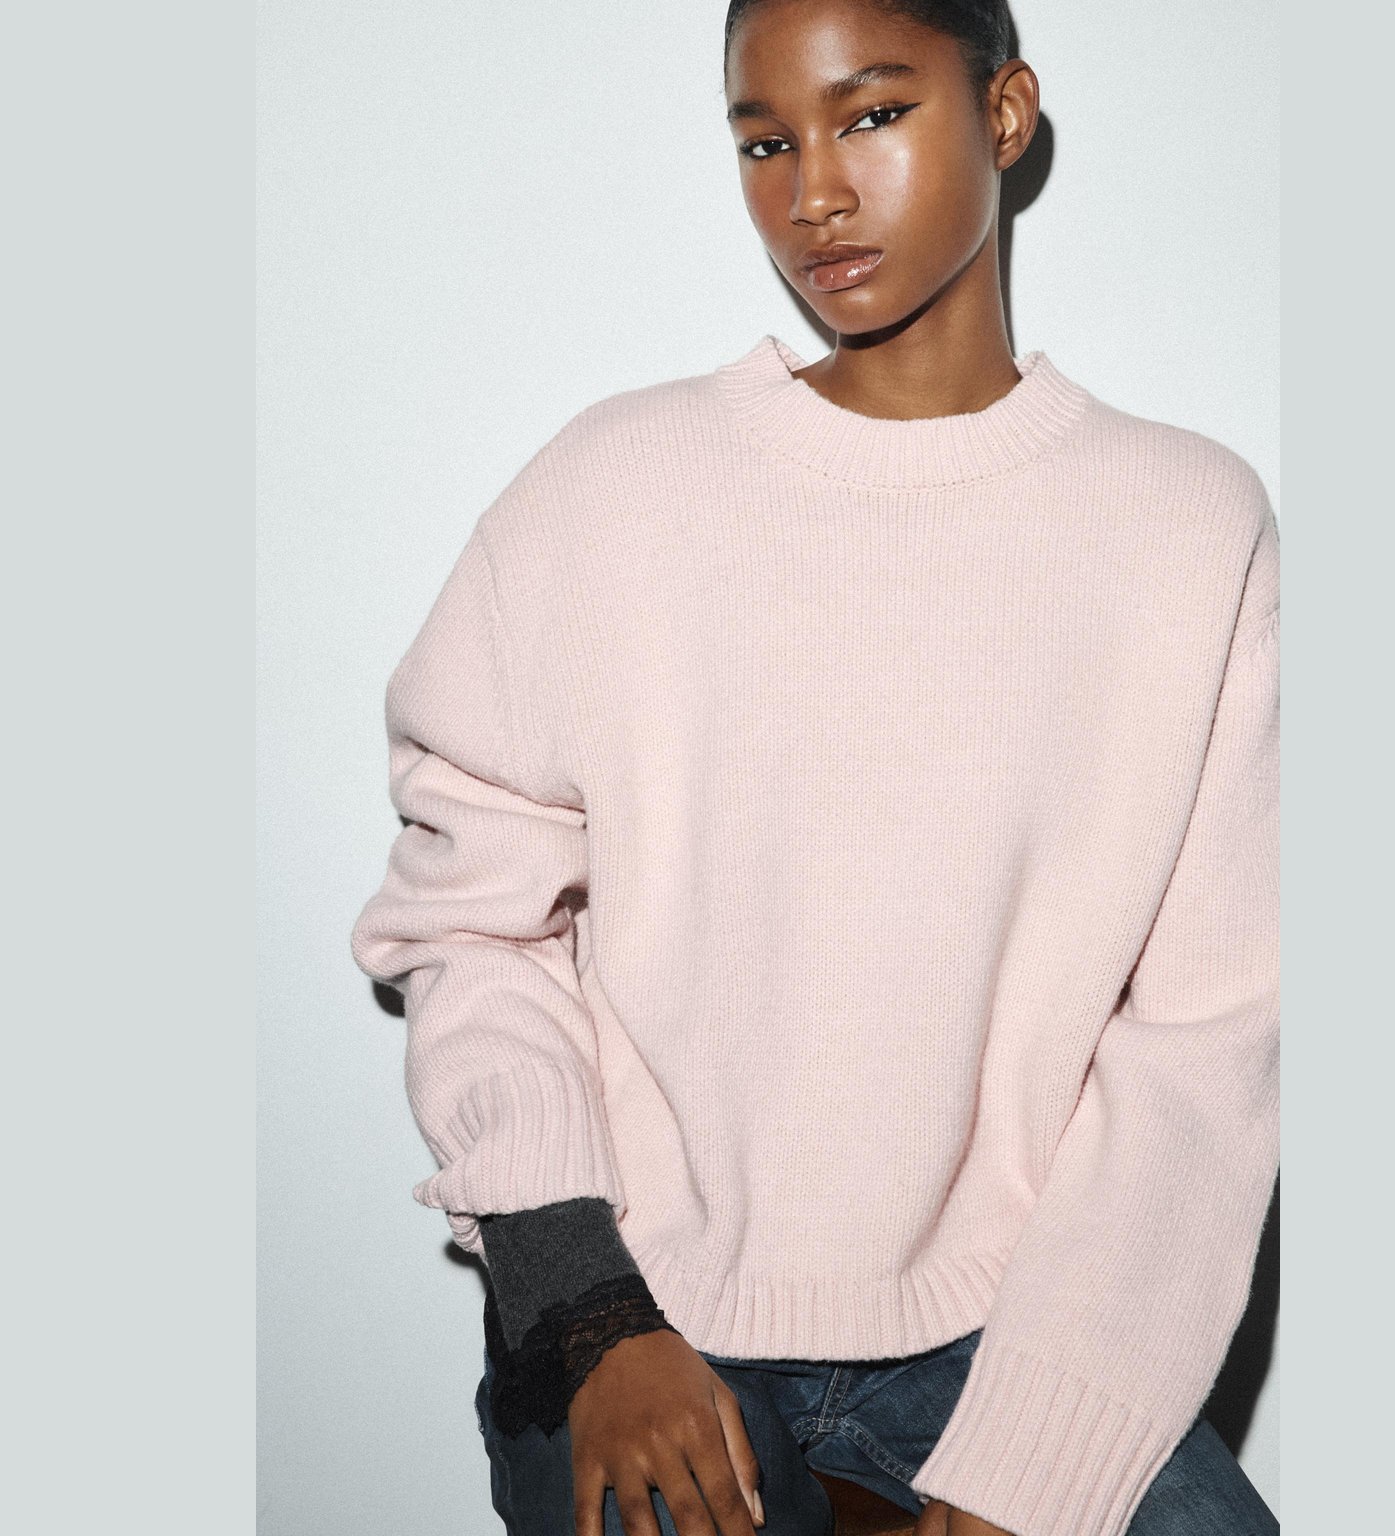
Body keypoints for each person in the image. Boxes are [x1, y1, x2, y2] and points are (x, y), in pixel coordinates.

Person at [349, 2, 1281, 1533]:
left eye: (872, 115)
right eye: (765, 142)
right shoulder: (614, 487)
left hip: (1003, 1323)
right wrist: (587, 1315)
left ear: (1004, 113)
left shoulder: (1188, 525)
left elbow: (1205, 1040)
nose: (815, 194)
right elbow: (468, 924)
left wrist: (1038, 1460)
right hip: (643, 1296)